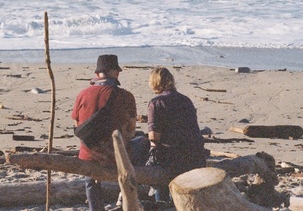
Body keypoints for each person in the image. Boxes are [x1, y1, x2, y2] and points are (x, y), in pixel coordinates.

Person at [72, 54, 149, 211]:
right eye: (117, 71)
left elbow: (77, 125)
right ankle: (124, 195)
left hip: (88, 155)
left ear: (97, 73)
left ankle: (95, 207)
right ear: (114, 72)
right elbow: (131, 131)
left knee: (90, 173)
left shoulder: (83, 94)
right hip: (115, 156)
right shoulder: (125, 96)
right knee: (143, 142)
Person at [146, 67, 207, 202]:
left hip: (172, 157)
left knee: (157, 176)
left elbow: (154, 137)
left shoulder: (156, 103)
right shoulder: (186, 100)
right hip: (195, 155)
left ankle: (161, 202)